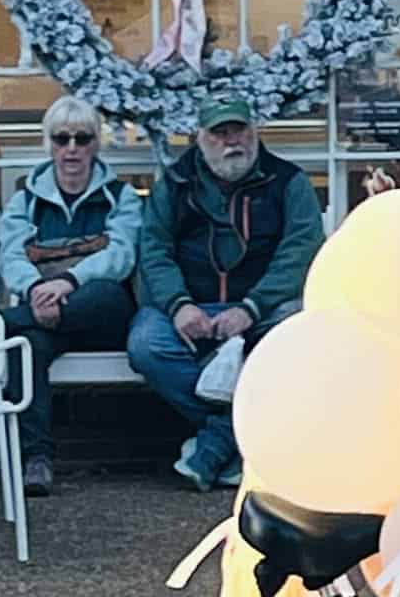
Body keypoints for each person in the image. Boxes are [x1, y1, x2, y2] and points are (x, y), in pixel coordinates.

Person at [128, 93, 324, 491]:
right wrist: (179, 305)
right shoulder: (175, 183)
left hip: (263, 309)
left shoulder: (288, 181)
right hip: (190, 308)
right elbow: (154, 249)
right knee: (146, 344)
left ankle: (215, 442)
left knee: (296, 336)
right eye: (220, 132)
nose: (232, 140)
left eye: (240, 129)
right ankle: (242, 436)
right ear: (199, 137)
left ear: (255, 131)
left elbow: (301, 250)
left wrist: (252, 307)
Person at [0, 96, 142, 496]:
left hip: (103, 317)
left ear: (96, 143)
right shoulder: (26, 199)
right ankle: (37, 459)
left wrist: (68, 284)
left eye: (83, 138)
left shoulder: (121, 196)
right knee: (24, 345)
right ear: (50, 144)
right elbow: (10, 255)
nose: (72, 149)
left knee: (103, 293)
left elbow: (122, 254)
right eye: (63, 139)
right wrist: (35, 291)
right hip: (47, 319)